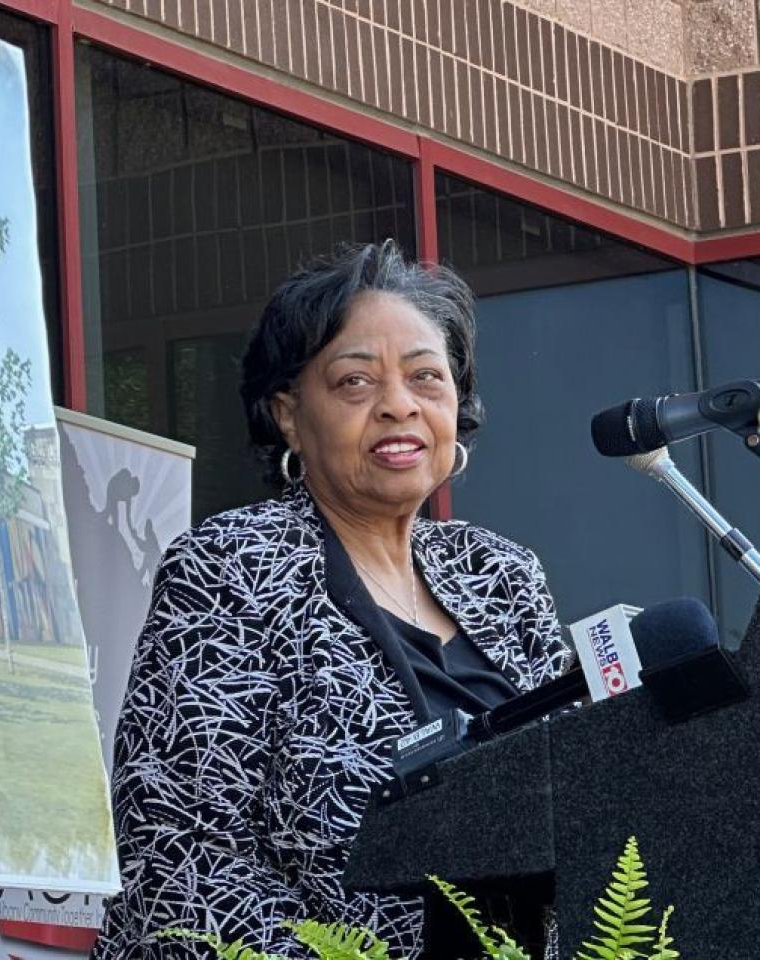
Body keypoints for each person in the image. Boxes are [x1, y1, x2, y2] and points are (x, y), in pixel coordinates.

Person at [93, 240, 571, 959]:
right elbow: (179, 859)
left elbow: (591, 802)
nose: (398, 406)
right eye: (355, 383)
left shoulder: (504, 577)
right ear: (288, 415)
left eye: (426, 378)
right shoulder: (230, 568)